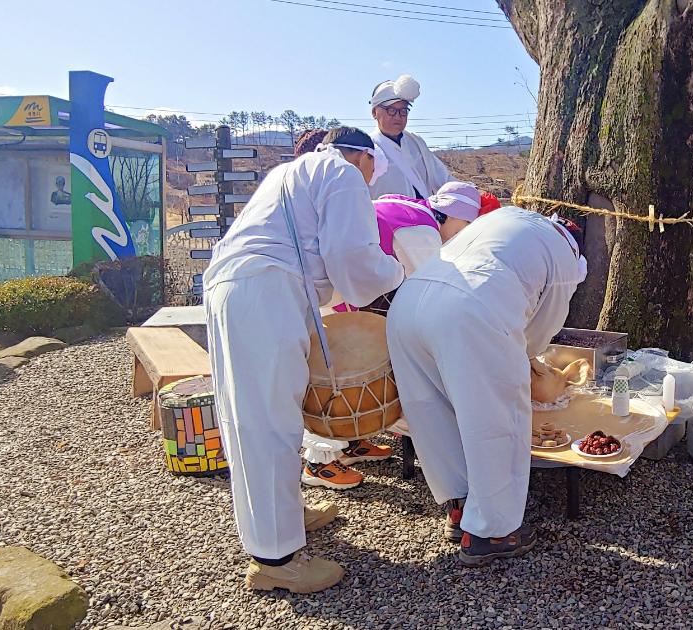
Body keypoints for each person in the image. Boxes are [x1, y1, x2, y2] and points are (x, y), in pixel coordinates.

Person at [203, 126, 404, 593]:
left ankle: (283, 520)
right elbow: (352, 258)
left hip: (242, 285)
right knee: (267, 422)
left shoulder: (289, 172)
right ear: (364, 156)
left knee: (254, 415)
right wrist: (400, 272)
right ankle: (276, 561)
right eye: (375, 168)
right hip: (265, 289)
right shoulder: (343, 171)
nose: (372, 180)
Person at [386, 207, 586, 567]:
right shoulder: (564, 256)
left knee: (435, 410)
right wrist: (525, 360)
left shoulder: (511, 219)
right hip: (470, 309)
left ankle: (461, 510)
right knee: (497, 420)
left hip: (409, 303)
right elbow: (541, 329)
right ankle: (492, 531)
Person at [301, 180, 488, 489]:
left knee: (356, 371)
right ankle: (318, 462)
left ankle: (351, 443)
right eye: (466, 224)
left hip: (346, 287)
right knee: (336, 375)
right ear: (451, 214)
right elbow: (433, 292)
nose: (464, 233)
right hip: (336, 290)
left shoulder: (409, 209)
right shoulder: (423, 231)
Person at [367, 75, 451, 199]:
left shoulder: (416, 141)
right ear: (374, 112)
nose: (398, 117)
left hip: (426, 214)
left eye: (403, 111)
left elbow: (444, 179)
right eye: (391, 110)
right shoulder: (367, 147)